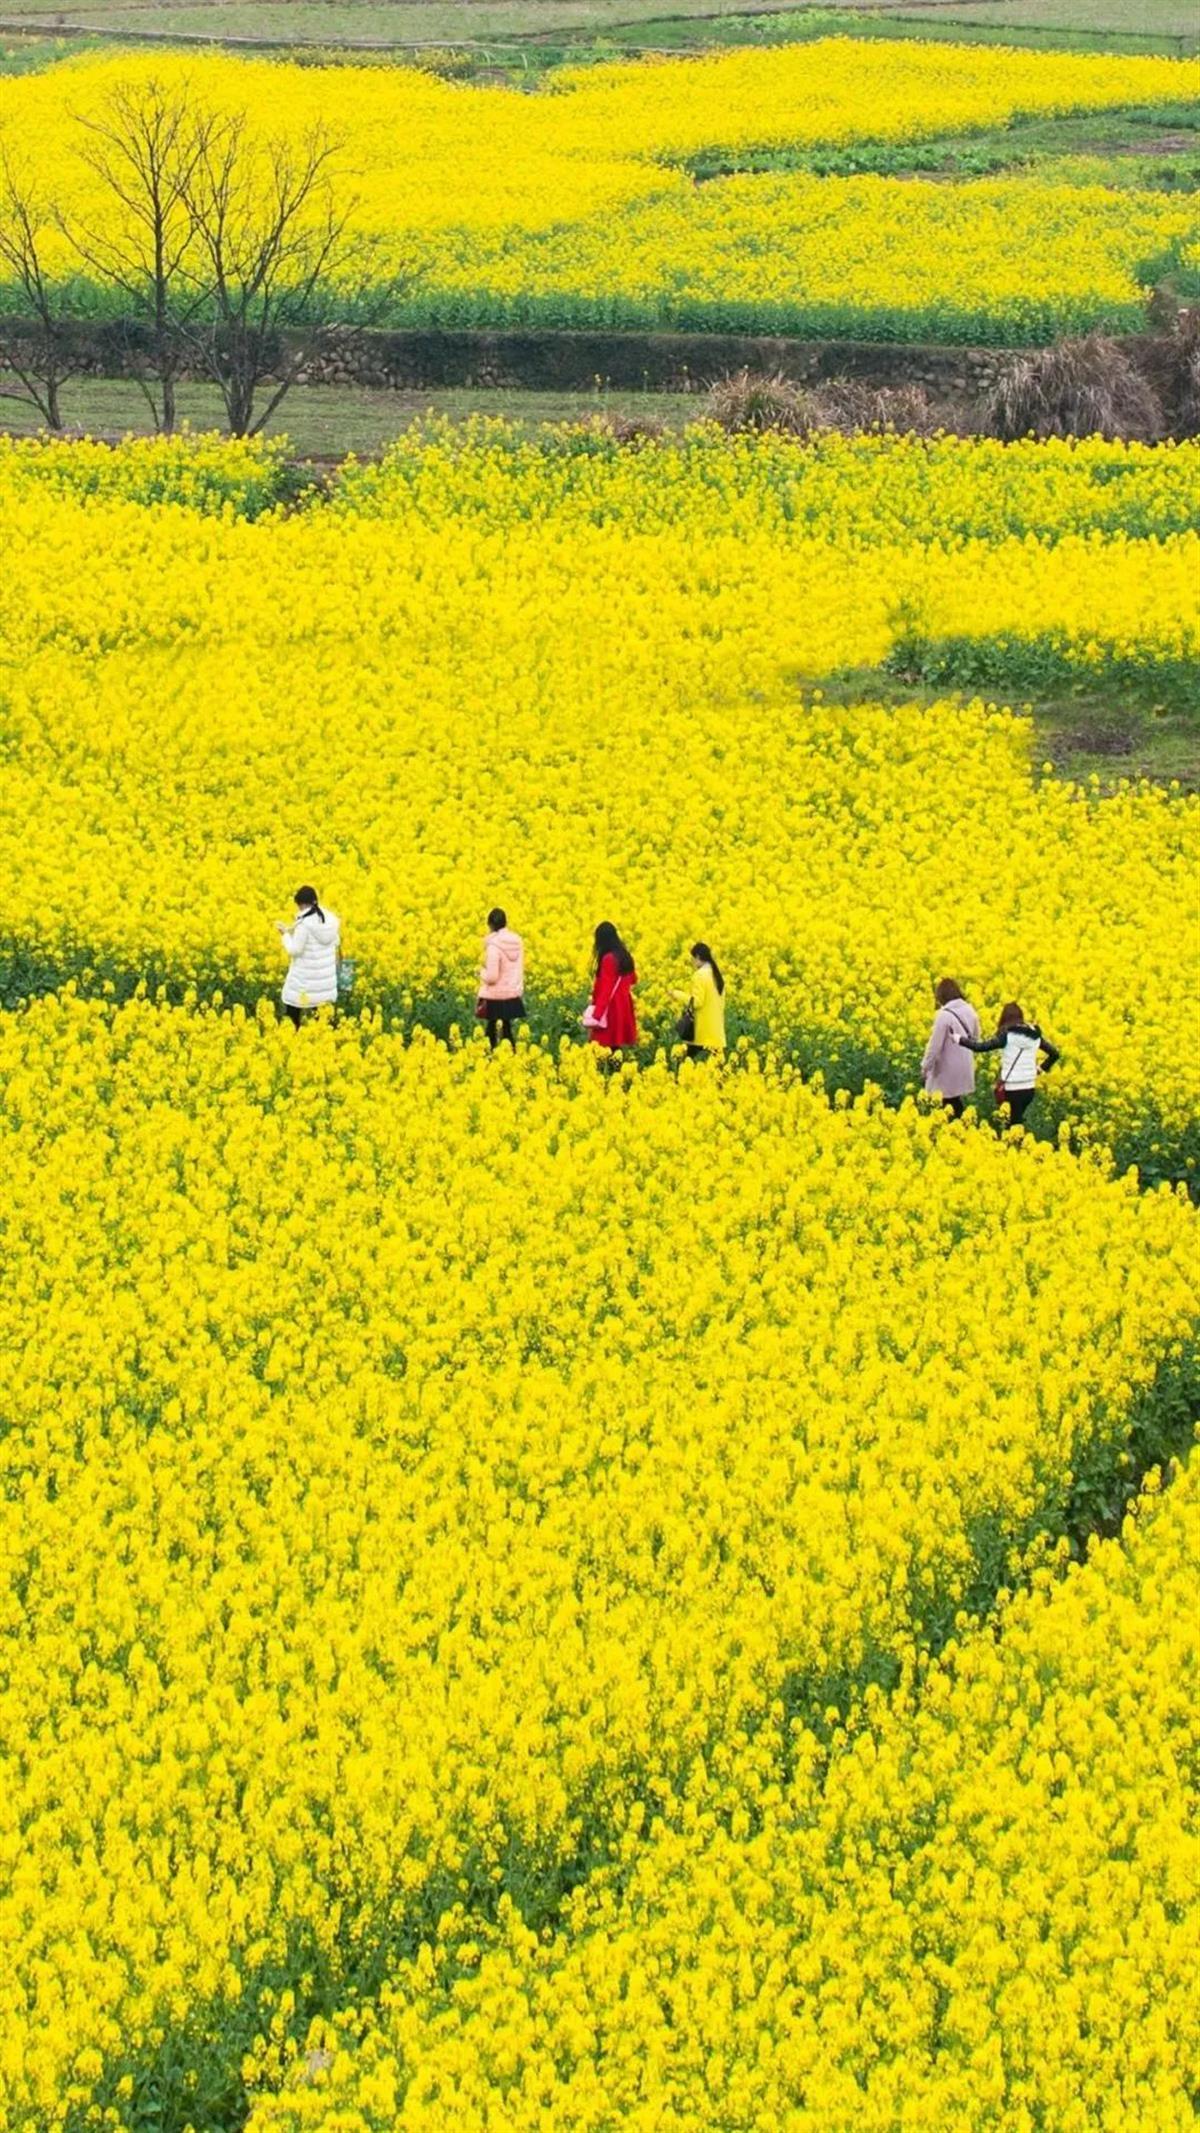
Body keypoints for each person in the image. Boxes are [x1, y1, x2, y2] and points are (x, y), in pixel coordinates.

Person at [962, 1001, 1060, 1127]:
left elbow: (980, 1047)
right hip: (1029, 1089)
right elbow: (1055, 1054)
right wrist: (1040, 1068)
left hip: (1012, 1089)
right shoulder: (1034, 1035)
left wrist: (960, 1039)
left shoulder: (1007, 1036)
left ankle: (1017, 1144)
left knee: (1012, 1126)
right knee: (1016, 1122)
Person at [277, 885, 340, 1027]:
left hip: (305, 981)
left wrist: (285, 935)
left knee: (292, 1011)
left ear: (302, 904)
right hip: (324, 983)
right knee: (323, 1021)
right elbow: (335, 942)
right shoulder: (330, 921)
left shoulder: (305, 924)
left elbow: (295, 950)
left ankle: (292, 1037)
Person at [921, 978, 981, 1118]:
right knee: (954, 1101)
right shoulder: (970, 1010)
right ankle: (963, 1128)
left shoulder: (944, 1015)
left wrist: (925, 1067)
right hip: (965, 1065)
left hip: (946, 1069)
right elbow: (976, 1038)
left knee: (942, 1104)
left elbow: (934, 1047)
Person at [583, 921, 638, 1051]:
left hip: (610, 1009)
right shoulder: (625, 955)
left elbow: (606, 991)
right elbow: (633, 979)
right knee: (615, 1046)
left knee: (602, 1046)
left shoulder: (608, 959)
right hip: (623, 1006)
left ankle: (606, 1070)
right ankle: (616, 1069)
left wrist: (596, 1015)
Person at [477, 907, 526, 1049]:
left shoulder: (494, 946)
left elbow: (492, 977)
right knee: (507, 1031)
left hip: (495, 997)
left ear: (490, 925)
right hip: (512, 994)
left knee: (490, 1032)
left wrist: (481, 972)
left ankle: (489, 1059)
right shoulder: (517, 943)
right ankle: (512, 1059)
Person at [682, 942, 726, 1061]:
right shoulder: (718, 976)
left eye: (693, 958)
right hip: (716, 1032)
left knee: (686, 1064)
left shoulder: (699, 975)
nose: (692, 962)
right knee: (717, 1069)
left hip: (701, 1032)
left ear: (698, 957)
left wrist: (678, 995)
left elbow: (697, 1002)